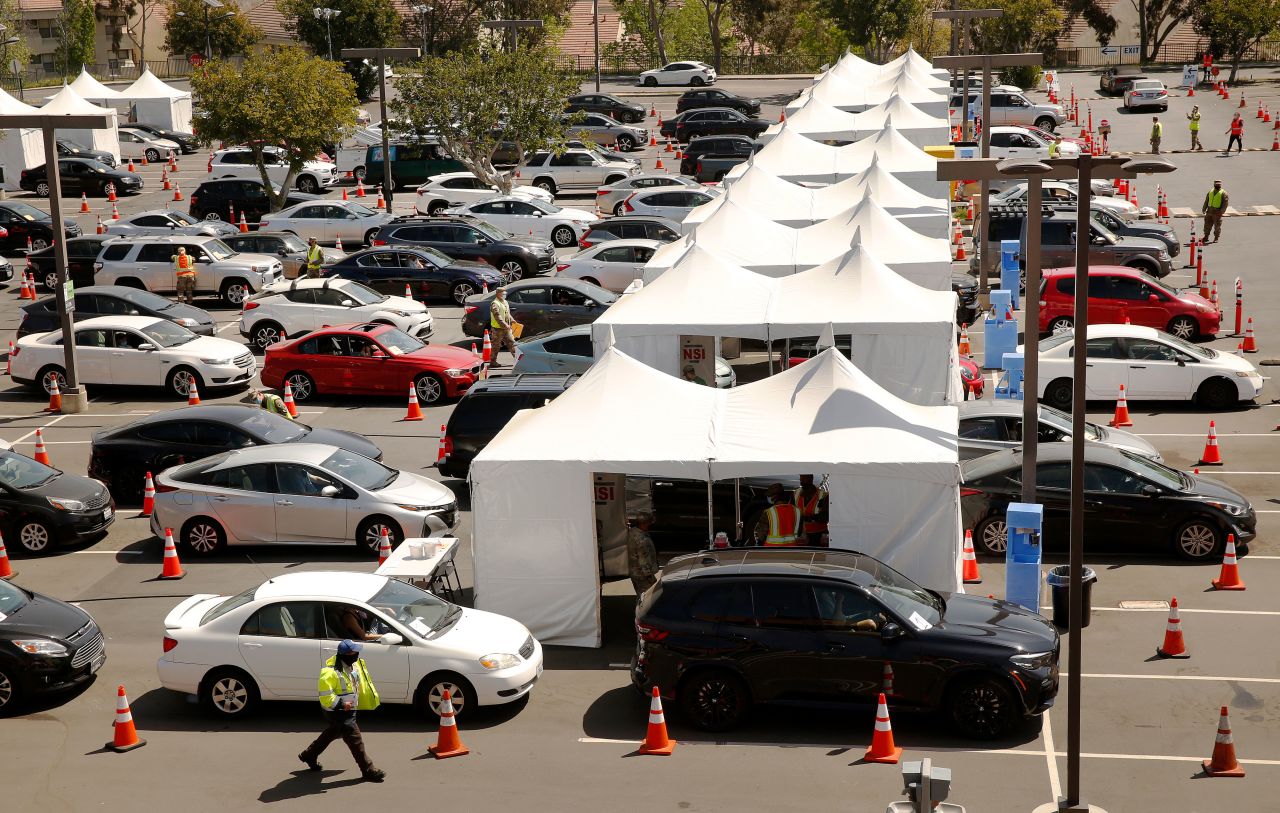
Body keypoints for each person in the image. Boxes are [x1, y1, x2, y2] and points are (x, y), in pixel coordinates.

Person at [299, 639, 385, 782]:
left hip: (349, 709)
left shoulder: (352, 665)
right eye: (354, 652)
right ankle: (368, 769)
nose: (357, 654)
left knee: (334, 732)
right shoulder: (329, 672)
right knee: (355, 739)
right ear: (346, 654)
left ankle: (309, 754)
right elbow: (325, 697)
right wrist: (341, 704)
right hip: (338, 712)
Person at [627, 512, 659, 594]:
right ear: (644, 524)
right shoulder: (641, 539)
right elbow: (643, 560)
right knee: (648, 596)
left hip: (635, 573)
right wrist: (649, 576)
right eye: (649, 523)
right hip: (642, 575)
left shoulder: (633, 531)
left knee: (641, 595)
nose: (650, 525)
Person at [794, 474, 829, 546]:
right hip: (800, 535)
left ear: (811, 479)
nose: (802, 482)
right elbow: (790, 511)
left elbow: (825, 517)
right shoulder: (795, 493)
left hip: (818, 535)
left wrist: (809, 518)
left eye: (804, 480)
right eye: (801, 480)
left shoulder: (823, 495)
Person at [488, 287, 518, 365]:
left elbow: (507, 313)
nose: (505, 295)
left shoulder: (505, 302)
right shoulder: (495, 303)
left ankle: (518, 360)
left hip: (506, 328)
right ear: (498, 294)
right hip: (497, 329)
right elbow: (497, 316)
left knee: (512, 343)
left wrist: (512, 320)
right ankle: (493, 362)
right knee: (496, 346)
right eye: (503, 293)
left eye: (505, 293)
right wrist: (505, 325)